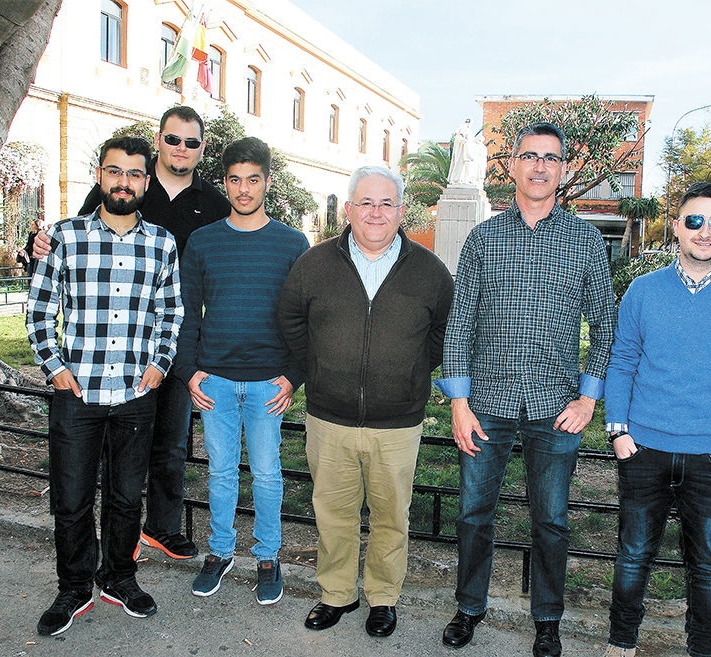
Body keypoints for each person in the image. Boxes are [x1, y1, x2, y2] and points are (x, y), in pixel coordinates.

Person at [435, 122, 617, 657]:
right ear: (512, 165)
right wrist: (459, 403)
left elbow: (605, 326)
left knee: (551, 521)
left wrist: (588, 398)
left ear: (564, 170)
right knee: (473, 515)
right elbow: (460, 323)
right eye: (530, 156)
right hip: (485, 405)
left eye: (551, 158)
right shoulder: (484, 238)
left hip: (556, 407)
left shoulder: (585, 240)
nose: (540, 166)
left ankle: (548, 619)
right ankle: (469, 607)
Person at [34, 106, 231, 560]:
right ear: (158, 140)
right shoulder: (128, 182)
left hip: (176, 337)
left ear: (201, 149)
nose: (181, 148)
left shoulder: (213, 202)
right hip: (111, 344)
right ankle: (115, 541)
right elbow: (74, 241)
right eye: (173, 138)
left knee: (172, 440)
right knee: (113, 442)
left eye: (191, 142)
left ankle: (160, 527)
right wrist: (39, 243)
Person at [602, 182, 711, 657]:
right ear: (677, 226)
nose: (706, 232)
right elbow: (622, 361)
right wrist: (618, 431)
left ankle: (701, 649)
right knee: (633, 555)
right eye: (696, 221)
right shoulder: (643, 290)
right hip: (643, 451)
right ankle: (621, 642)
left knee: (708, 565)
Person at [277, 166, 453, 638]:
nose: (376, 212)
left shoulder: (430, 271)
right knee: (333, 512)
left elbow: (444, 331)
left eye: (387, 203)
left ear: (401, 211)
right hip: (329, 417)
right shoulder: (314, 263)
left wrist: (412, 369)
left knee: (391, 516)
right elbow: (290, 318)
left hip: (397, 422)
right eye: (367, 203)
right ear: (350, 209)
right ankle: (336, 593)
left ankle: (383, 597)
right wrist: (317, 366)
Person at [27, 136, 183, 636]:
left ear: (146, 182)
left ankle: (119, 577)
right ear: (100, 175)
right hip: (78, 394)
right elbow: (39, 311)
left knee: (126, 497)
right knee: (71, 499)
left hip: (136, 394)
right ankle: (74, 587)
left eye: (134, 174)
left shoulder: (161, 243)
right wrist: (55, 367)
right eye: (115, 171)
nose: (124, 182)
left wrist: (160, 364)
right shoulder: (64, 236)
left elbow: (171, 313)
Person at [173, 137, 309, 603]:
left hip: (270, 382)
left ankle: (268, 556)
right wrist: (189, 371)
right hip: (215, 381)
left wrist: (293, 375)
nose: (244, 189)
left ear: (267, 182)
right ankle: (221, 551)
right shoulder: (203, 241)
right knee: (221, 473)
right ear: (225, 183)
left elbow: (306, 317)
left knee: (267, 473)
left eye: (253, 179)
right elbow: (187, 313)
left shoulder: (292, 243)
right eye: (235, 180)